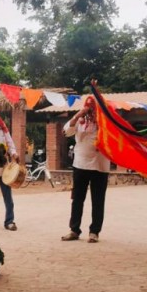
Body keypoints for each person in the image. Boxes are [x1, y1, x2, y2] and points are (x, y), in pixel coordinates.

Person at [61, 97, 109, 243]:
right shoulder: (79, 121)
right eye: (87, 108)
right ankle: (74, 230)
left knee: (98, 200)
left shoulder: (105, 121)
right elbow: (66, 132)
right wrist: (79, 114)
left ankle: (94, 232)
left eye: (92, 108)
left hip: (100, 165)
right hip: (80, 164)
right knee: (77, 199)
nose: (90, 111)